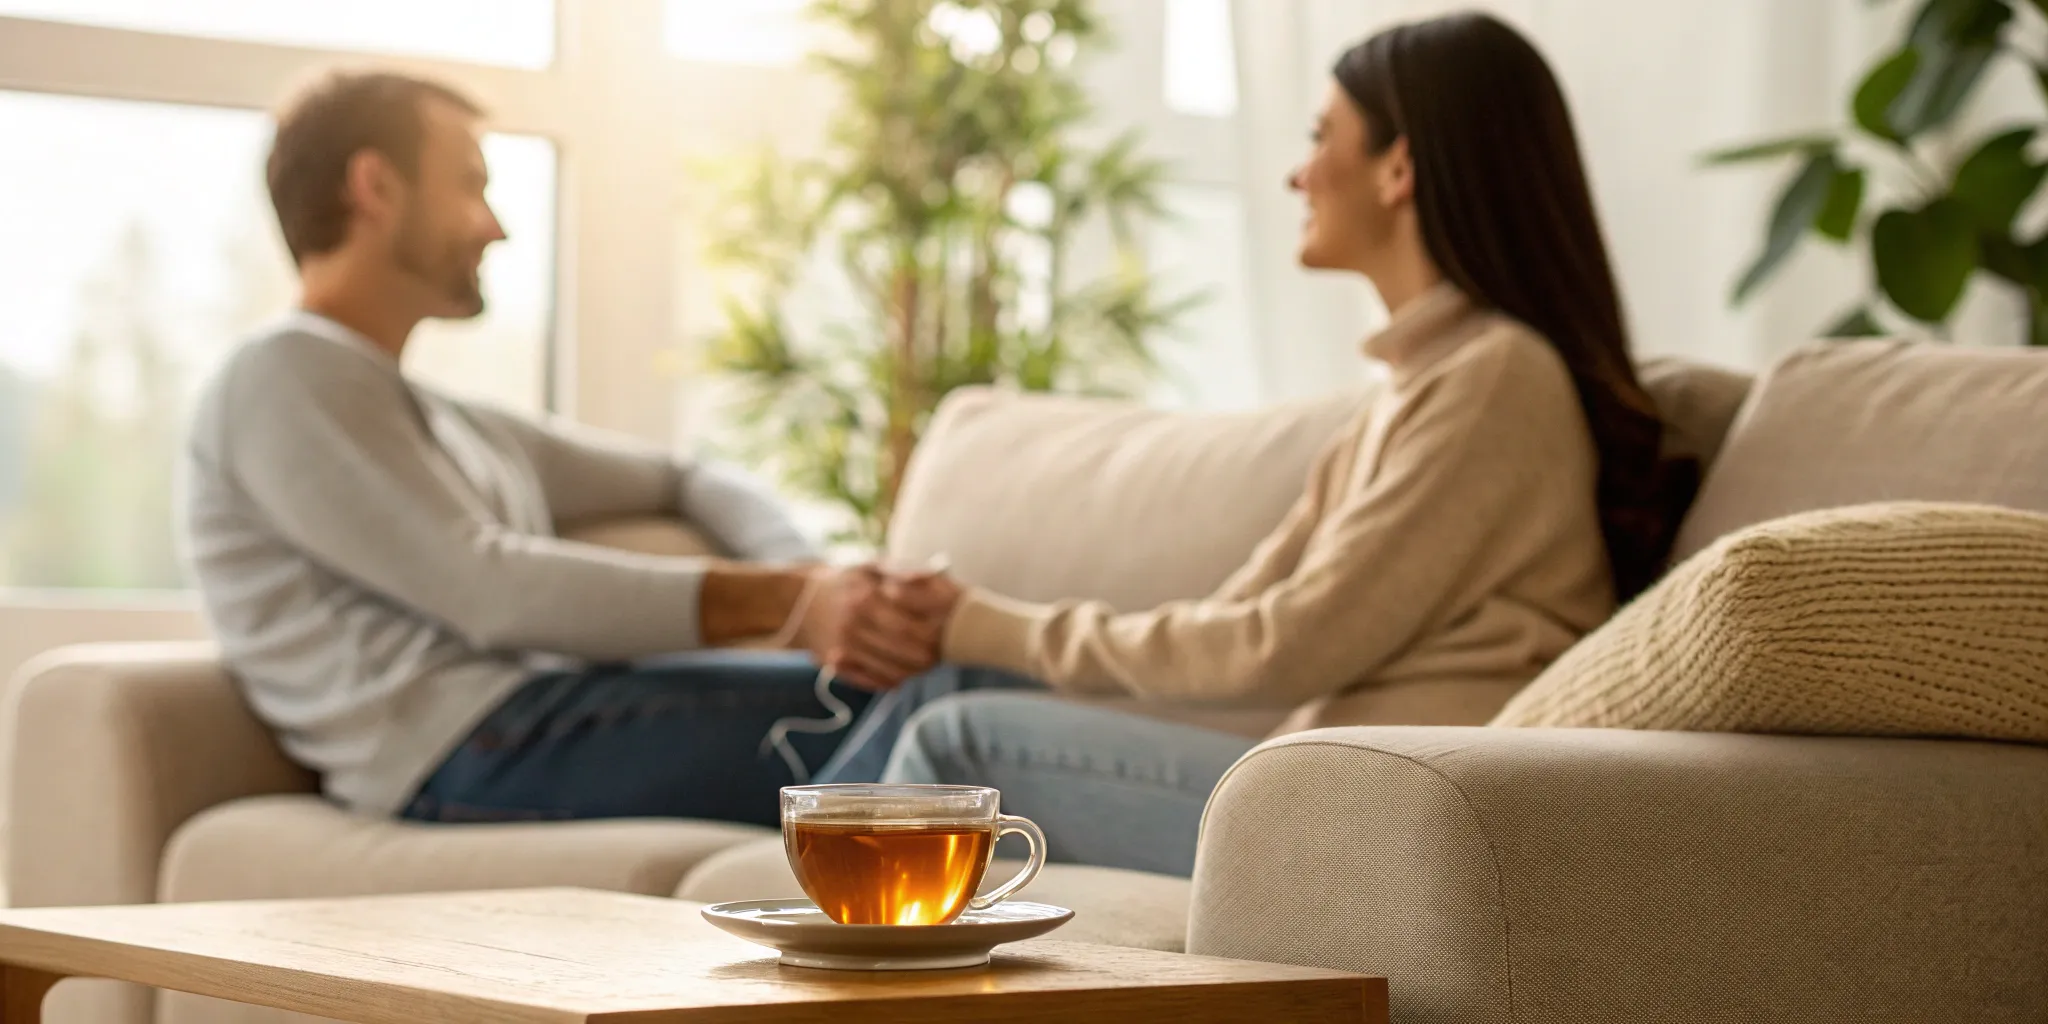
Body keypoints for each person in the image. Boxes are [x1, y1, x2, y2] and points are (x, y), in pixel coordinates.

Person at [844, 13, 1699, 877]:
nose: (1298, 173)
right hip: (1317, 779)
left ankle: (808, 939)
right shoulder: (1413, 394)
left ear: (1400, 168)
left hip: (1383, 816)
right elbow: (1237, 619)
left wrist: (987, 623)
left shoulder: (1495, 380)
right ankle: (788, 889)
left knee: (958, 737)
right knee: (954, 687)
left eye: (1323, 137)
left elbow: (1284, 646)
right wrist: (974, 631)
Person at [182, 69, 956, 828]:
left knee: (934, 688)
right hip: (469, 746)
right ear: (375, 188)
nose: (496, 226)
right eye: (469, 185)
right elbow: (488, 589)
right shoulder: (281, 374)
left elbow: (683, 478)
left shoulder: (444, 418)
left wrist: (818, 578)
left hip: (542, 719)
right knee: (932, 693)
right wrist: (788, 603)